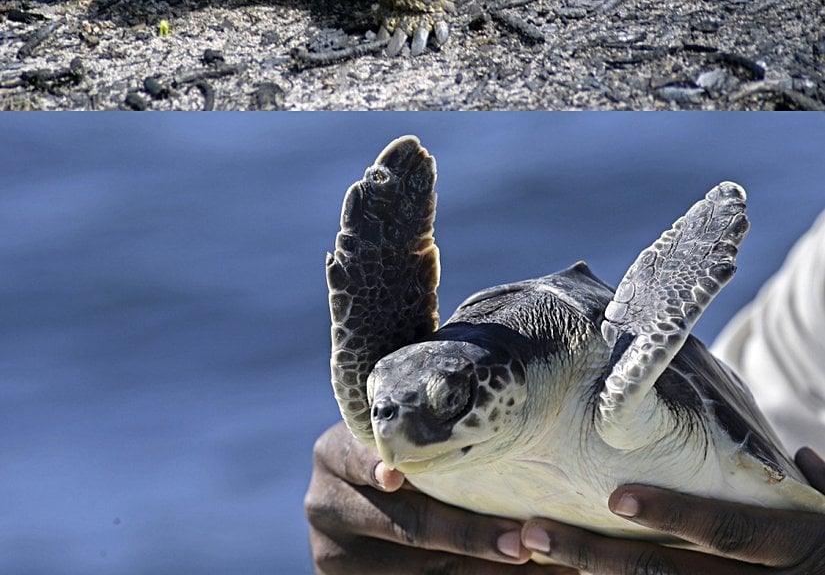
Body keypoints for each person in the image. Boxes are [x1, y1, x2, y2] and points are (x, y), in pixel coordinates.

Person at [305, 212, 825, 574]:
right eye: (381, 410)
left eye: (450, 401)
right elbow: (773, 392)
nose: (396, 435)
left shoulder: (621, 397)